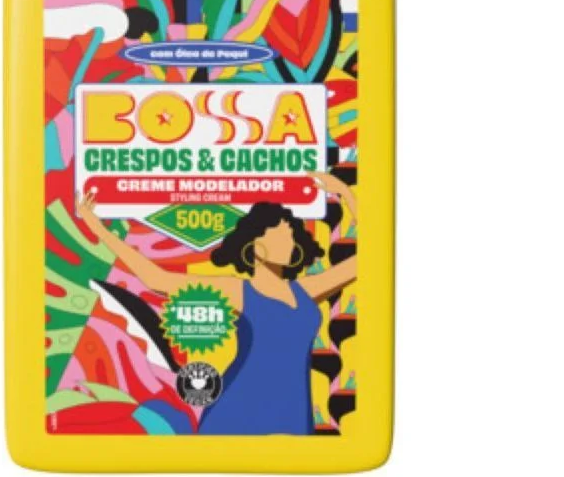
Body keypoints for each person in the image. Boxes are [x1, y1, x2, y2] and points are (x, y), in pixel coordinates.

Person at [74, 172, 358, 435]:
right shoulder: (239, 291)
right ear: (256, 247)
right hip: (237, 415)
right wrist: (98, 228)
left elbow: (370, 258)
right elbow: (157, 279)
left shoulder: (304, 291)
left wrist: (346, 194)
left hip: (293, 413)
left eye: (291, 235)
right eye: (282, 235)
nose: (291, 241)